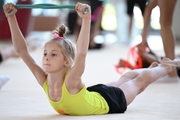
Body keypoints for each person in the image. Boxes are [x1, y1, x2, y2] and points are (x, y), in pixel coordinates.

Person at [4, 2, 180, 116]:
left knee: (138, 82)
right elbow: (22, 51)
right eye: (45, 54)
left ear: (67, 62)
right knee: (125, 78)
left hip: (110, 102)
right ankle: (153, 68)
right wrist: (11, 18)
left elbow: (81, 53)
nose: (46, 58)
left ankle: (165, 67)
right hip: (93, 93)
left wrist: (86, 20)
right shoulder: (44, 80)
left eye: (53, 54)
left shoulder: (72, 80)